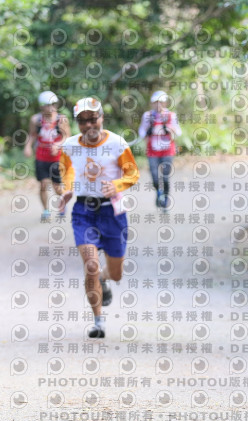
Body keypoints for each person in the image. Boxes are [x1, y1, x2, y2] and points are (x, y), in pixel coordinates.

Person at [58, 97, 139, 338]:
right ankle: (98, 321)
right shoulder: (70, 146)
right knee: (91, 265)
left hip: (112, 213)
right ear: (78, 123)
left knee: (116, 273)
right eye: (83, 121)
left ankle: (105, 278)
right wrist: (67, 189)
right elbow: (67, 171)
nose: (88, 125)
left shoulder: (117, 143)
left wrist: (117, 185)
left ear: (101, 118)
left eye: (93, 119)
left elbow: (132, 173)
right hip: (84, 212)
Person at [23, 91, 71, 221]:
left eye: (53, 104)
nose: (51, 107)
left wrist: (58, 145)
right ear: (41, 106)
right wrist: (28, 146)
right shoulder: (36, 120)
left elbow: (67, 136)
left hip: (57, 158)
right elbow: (32, 134)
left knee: (57, 187)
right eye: (48, 105)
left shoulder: (61, 119)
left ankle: (62, 203)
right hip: (41, 156)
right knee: (43, 184)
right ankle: (46, 210)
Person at [137, 90, 182, 210]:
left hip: (167, 151)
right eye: (156, 102)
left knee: (165, 177)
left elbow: (178, 132)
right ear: (152, 103)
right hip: (152, 151)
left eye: (161, 102)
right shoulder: (147, 116)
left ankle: (165, 199)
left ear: (165, 103)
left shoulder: (171, 116)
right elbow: (141, 131)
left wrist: (169, 129)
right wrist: (148, 131)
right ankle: (159, 193)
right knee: (155, 177)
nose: (158, 105)